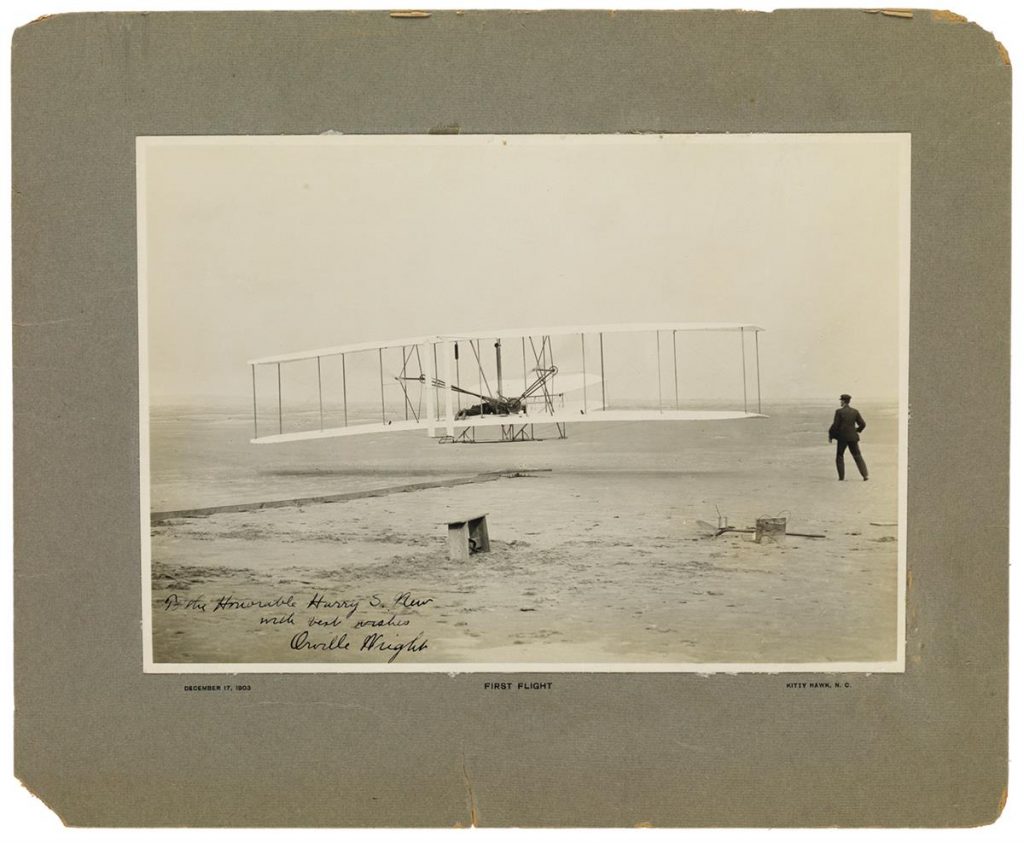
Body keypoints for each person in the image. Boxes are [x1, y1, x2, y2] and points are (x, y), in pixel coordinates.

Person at [828, 394, 868, 481]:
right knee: (857, 455)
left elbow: (835, 425)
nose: (840, 402)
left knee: (840, 456)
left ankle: (841, 477)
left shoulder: (839, 412)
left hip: (842, 438)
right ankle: (865, 475)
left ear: (843, 401)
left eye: (841, 401)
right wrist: (856, 430)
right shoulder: (855, 411)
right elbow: (863, 424)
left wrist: (831, 435)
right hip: (853, 437)